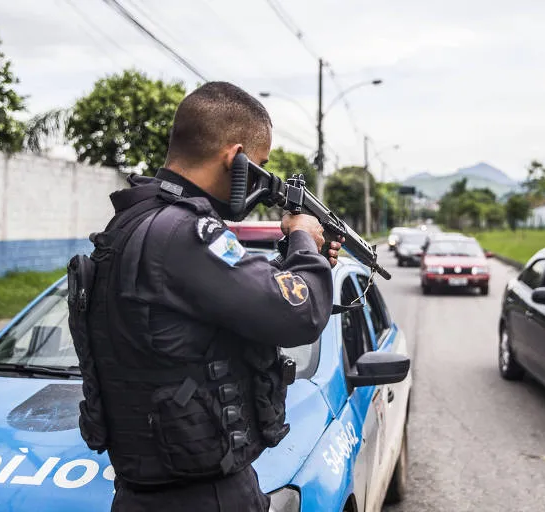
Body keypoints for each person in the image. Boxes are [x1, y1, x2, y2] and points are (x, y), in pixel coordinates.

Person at [69, 81, 341, 512]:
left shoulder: (136, 223)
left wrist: (295, 258)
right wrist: (305, 241)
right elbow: (298, 314)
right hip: (202, 497)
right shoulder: (187, 233)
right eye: (260, 166)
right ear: (235, 159)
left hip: (144, 490)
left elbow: (229, 301)